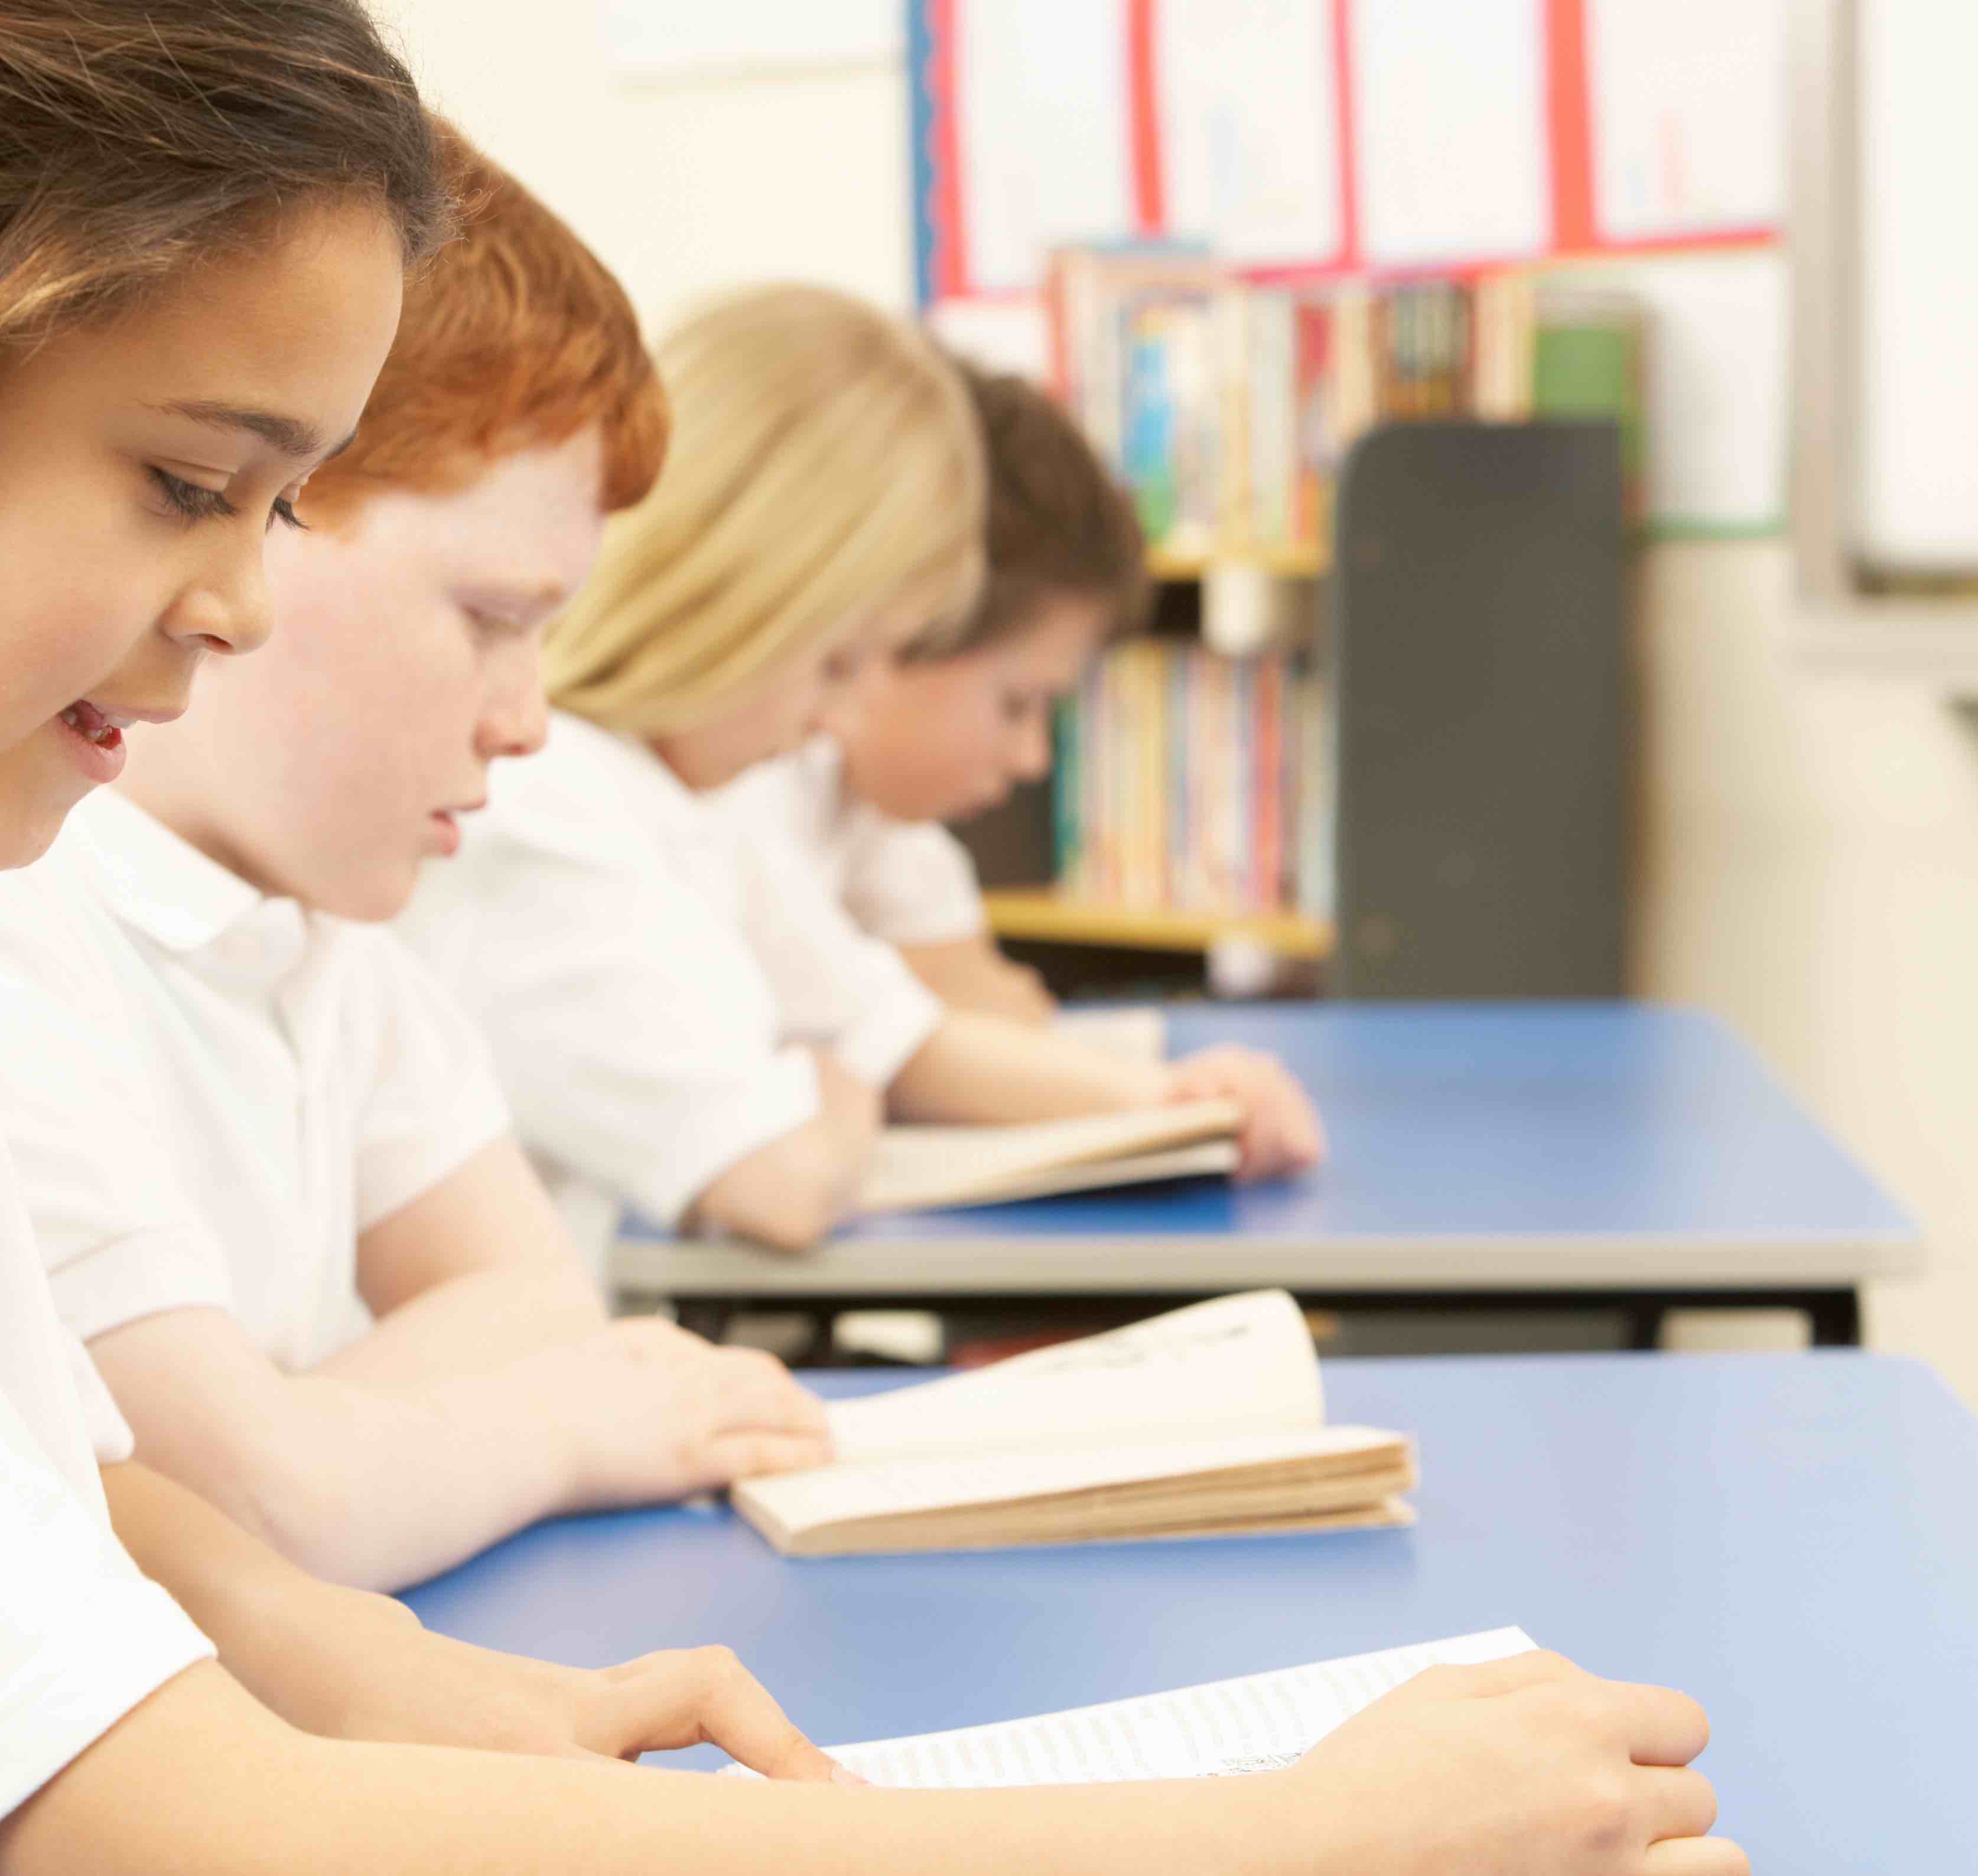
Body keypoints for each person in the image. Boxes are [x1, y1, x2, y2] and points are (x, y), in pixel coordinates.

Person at [0, 6, 1743, 1876]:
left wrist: (349, 1660)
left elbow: (40, 1477)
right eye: (191, 482)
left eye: (276, 513)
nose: (240, 609)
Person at [0, 126, 831, 1595]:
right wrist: (549, 1432)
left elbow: (535, 1303)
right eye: (488, 617)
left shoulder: (328, 937)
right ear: (262, 510)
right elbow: (260, 1519)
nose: (531, 717)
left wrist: (328, 1440)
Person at [405, 286, 1326, 1265]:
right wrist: (827, 1084)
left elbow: (873, 1027)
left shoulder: (677, 802)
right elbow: (781, 1176)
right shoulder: (549, 806)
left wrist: (821, 1075)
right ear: (753, 598)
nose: (838, 719)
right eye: (838, 663)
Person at [725, 356, 1151, 1025]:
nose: (1032, 759)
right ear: (912, 616)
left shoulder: (863, 797)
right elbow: (900, 1045)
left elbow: (992, 1006)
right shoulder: (742, 778)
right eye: (1016, 704)